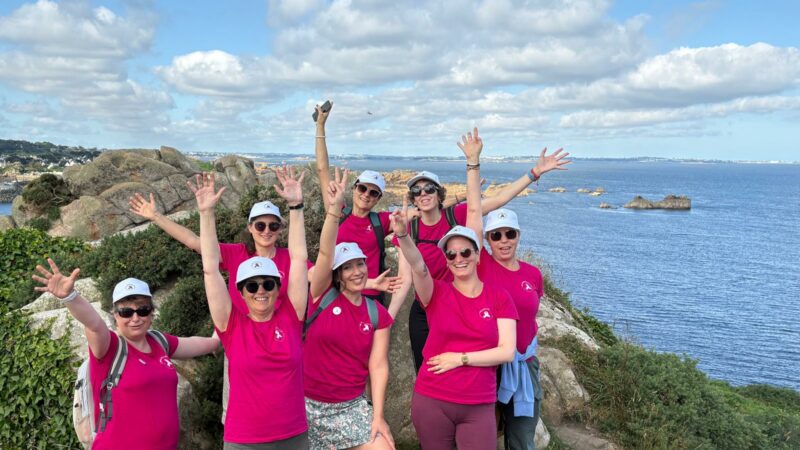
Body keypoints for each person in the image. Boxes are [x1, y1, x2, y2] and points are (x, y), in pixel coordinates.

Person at [129, 171, 311, 421]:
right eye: (260, 225)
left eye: (273, 225)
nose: (266, 231)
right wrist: (156, 216)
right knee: (238, 403)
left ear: (281, 229)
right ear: (250, 227)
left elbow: (317, 272)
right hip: (240, 336)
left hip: (278, 338)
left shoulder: (289, 258)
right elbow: (195, 242)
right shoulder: (237, 253)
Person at [391, 138, 570, 372]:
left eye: (429, 188)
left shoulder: (458, 215)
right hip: (425, 306)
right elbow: (407, 277)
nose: (423, 193)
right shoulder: (409, 230)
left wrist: (534, 173)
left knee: (463, 366)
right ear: (413, 198)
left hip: (459, 303)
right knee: (426, 366)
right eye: (417, 191)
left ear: (439, 193)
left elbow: (499, 200)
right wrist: (387, 319)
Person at [390, 128, 519, 450]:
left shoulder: (497, 297)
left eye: (465, 252)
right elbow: (416, 269)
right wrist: (403, 236)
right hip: (433, 310)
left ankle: (497, 418)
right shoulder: (435, 288)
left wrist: (473, 164)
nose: (458, 257)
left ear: (478, 254)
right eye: (451, 254)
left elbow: (477, 210)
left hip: (475, 396)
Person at [32, 261, 220, 450]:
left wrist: (222, 334)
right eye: (126, 312)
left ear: (152, 313)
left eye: (143, 310)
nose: (135, 318)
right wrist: (71, 297)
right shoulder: (110, 347)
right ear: (115, 315)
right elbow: (94, 324)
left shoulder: (160, 342)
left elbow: (198, 344)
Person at [195, 168, 310, 449]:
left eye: (268, 284)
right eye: (251, 285)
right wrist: (206, 214)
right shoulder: (231, 326)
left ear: (278, 286)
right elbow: (210, 268)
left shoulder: (291, 316)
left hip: (294, 435)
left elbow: (298, 258)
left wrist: (295, 207)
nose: (260, 290)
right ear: (241, 292)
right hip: (244, 439)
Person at [303, 167, 395, 450]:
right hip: (304, 404)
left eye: (360, 264)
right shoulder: (319, 295)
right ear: (337, 273)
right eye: (347, 267)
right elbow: (323, 252)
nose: (355, 272)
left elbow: (378, 366)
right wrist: (333, 210)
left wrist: (378, 416)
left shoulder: (377, 313)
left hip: (350, 407)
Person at [312, 102, 402, 306]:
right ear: (354, 189)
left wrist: (454, 198)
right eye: (362, 188)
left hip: (369, 299)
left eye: (373, 192)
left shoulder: (381, 221)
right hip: (336, 295)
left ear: (378, 199)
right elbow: (322, 170)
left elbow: (424, 211)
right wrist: (320, 127)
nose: (366, 194)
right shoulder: (337, 213)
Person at [480, 209, 545, 450]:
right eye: (496, 235)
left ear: (518, 235)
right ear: (487, 239)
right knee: (483, 435)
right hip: (489, 363)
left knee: (521, 436)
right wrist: (473, 169)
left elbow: (531, 315)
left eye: (509, 234)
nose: (504, 240)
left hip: (524, 365)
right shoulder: (482, 265)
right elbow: (474, 212)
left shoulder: (533, 274)